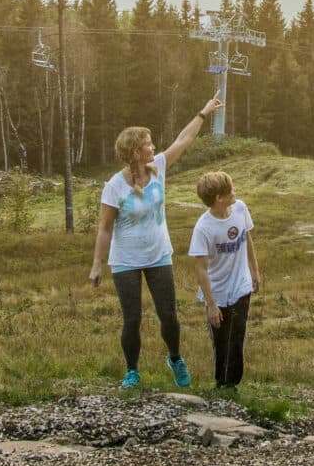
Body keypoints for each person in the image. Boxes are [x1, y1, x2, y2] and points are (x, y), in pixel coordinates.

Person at [89, 95, 221, 389]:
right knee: (132, 319)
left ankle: (175, 358)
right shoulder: (114, 186)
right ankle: (132, 371)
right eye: (148, 143)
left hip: (159, 255)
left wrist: (203, 112)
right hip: (125, 261)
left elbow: (183, 140)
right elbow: (105, 229)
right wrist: (97, 264)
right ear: (136, 151)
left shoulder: (157, 168)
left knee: (169, 316)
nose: (153, 146)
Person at [187, 170, 261, 392]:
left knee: (236, 337)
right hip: (216, 293)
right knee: (221, 340)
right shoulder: (203, 228)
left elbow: (247, 238)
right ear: (219, 197)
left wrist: (255, 271)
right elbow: (200, 268)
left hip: (240, 286)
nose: (235, 191)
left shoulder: (240, 208)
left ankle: (232, 385)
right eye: (231, 189)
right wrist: (210, 304)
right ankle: (221, 383)